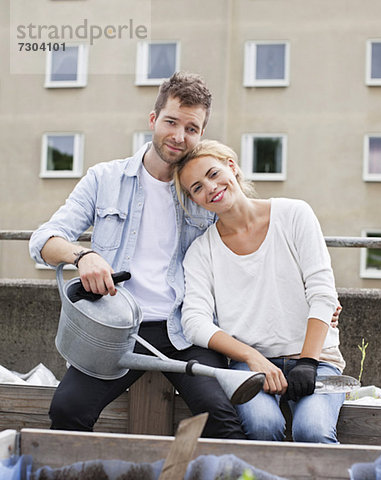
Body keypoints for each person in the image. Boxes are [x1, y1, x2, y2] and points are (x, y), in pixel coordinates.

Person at [29, 73, 248, 439]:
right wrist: (83, 257)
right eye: (171, 121)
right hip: (116, 331)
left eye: (191, 128)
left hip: (185, 332)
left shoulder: (203, 189)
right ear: (153, 120)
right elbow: (43, 240)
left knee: (224, 420)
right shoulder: (105, 178)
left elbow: (251, 240)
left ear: (201, 133)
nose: (179, 136)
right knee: (68, 410)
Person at [175, 139, 346, 443]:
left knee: (313, 430)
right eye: (197, 188)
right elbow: (194, 322)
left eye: (213, 174)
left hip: (317, 361)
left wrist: (307, 362)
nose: (210, 188)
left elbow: (322, 294)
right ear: (195, 200)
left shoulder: (295, 214)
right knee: (262, 426)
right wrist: (252, 357)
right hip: (249, 366)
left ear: (231, 166)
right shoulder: (201, 251)